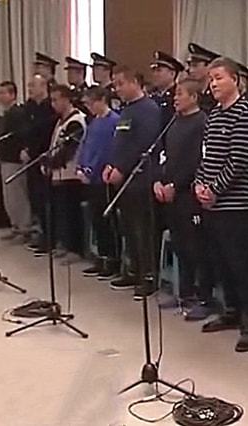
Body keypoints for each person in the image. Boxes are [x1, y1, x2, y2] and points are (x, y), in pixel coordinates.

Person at [193, 57, 248, 352]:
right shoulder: (214, 115)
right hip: (211, 203)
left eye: (219, 77)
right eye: (211, 79)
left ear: (236, 79)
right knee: (220, 261)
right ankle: (231, 310)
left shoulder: (247, 113)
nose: (213, 84)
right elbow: (206, 156)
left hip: (237, 203)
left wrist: (215, 189)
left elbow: (239, 160)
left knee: (242, 264)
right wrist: (200, 184)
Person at [153, 78, 216, 321]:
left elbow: (197, 162)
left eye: (180, 94)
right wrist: (159, 181)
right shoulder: (174, 121)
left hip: (189, 194)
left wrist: (175, 185)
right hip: (171, 194)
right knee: (180, 246)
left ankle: (204, 298)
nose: (175, 98)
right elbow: (165, 155)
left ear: (194, 97)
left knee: (197, 248)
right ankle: (184, 293)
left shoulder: (202, 122)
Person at [102, 66, 162, 298]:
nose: (117, 89)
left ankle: (148, 275)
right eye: (115, 84)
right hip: (123, 179)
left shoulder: (148, 109)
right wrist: (111, 164)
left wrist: (122, 168)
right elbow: (120, 142)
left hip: (140, 178)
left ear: (135, 82)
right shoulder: (127, 110)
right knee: (128, 228)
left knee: (142, 231)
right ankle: (133, 269)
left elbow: (143, 144)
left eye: (120, 83)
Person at [78, 86, 121, 279]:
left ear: (102, 100)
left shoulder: (114, 121)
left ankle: (112, 259)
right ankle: (101, 256)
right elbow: (85, 146)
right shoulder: (94, 122)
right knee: (96, 218)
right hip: (90, 178)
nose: (89, 107)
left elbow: (108, 150)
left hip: (103, 177)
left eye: (91, 103)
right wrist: (81, 166)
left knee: (107, 220)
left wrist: (92, 169)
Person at [45, 84, 87, 258]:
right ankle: (64, 243)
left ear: (66, 99)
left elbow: (69, 150)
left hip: (70, 174)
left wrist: (52, 163)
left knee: (71, 213)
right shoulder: (60, 120)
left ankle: (75, 249)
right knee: (62, 212)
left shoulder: (76, 120)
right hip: (59, 175)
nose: (53, 104)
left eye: (56, 100)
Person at [0, 81, 32, 241]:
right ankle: (15, 225)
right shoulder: (7, 114)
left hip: (14, 159)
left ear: (13, 95)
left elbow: (21, 136)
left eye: (4, 93)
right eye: (0, 93)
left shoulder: (17, 113)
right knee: (9, 197)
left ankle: (24, 228)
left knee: (18, 196)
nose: (0, 96)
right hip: (6, 159)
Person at [22, 74, 57, 252]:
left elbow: (45, 134)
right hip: (31, 159)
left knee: (45, 199)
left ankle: (50, 238)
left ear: (43, 86)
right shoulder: (29, 107)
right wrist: (26, 149)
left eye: (32, 85)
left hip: (43, 158)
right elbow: (27, 132)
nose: (29, 89)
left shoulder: (49, 108)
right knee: (35, 198)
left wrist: (35, 152)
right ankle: (41, 232)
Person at [149, 51, 184, 126]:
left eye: (159, 71)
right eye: (154, 71)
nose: (155, 74)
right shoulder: (150, 95)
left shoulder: (177, 95)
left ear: (172, 74)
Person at [185, 43, 221, 113]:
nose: (191, 70)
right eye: (190, 66)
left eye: (195, 66)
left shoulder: (215, 93)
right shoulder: (195, 91)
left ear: (209, 66)